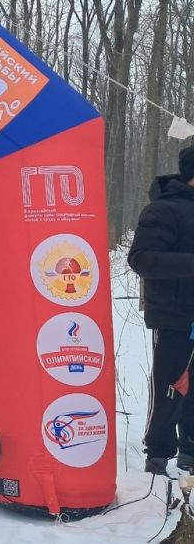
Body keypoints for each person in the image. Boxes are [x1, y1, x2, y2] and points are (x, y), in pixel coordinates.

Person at [128, 145, 194, 476]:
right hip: (176, 316)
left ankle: (190, 453)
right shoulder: (164, 210)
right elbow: (142, 259)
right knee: (172, 386)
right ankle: (158, 455)